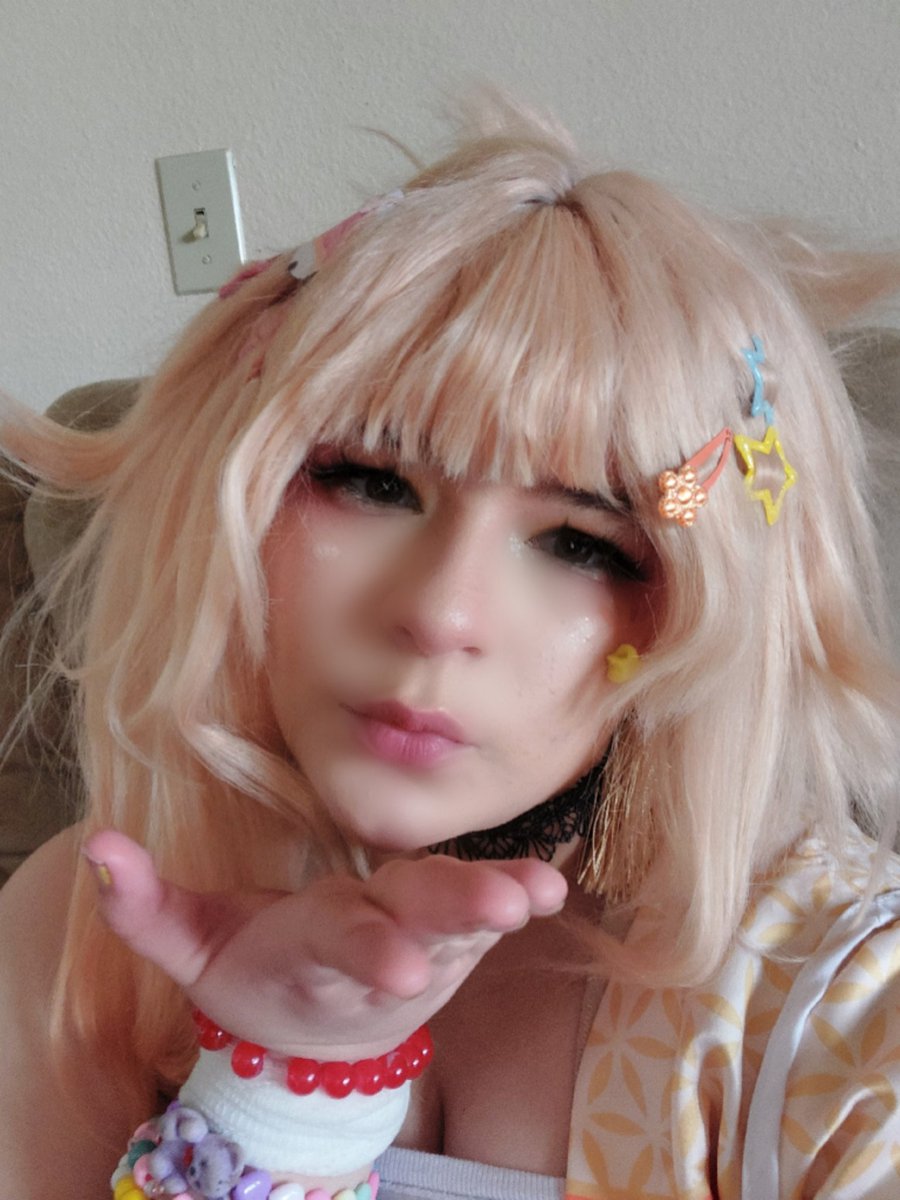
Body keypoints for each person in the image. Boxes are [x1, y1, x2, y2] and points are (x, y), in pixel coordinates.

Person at [1, 95, 900, 1200]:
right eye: (370, 482)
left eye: (583, 543)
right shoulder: (83, 930)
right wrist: (282, 1088)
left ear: (702, 608)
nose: (440, 614)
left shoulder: (848, 1003)